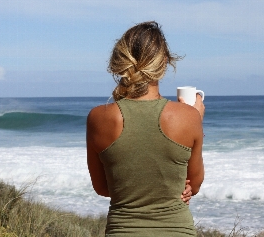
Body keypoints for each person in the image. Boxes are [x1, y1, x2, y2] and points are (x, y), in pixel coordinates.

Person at [86, 21, 205, 236]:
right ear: (165, 63)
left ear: (120, 60)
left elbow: (103, 188)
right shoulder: (189, 117)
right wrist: (195, 119)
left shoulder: (98, 117)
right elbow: (193, 186)